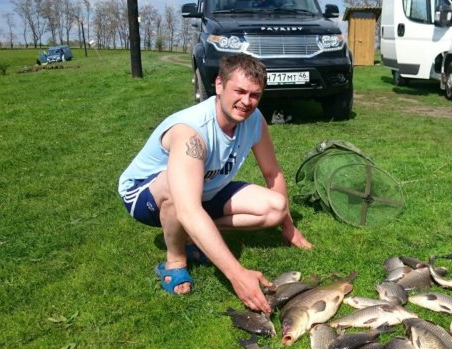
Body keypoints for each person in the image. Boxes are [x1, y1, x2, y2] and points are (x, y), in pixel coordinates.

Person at [118, 54, 312, 313]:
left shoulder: (255, 121)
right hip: (144, 193)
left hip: (205, 190)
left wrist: (288, 227)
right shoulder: (192, 132)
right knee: (178, 194)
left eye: (255, 95)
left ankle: (193, 235)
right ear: (219, 85)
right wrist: (237, 275)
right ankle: (175, 260)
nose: (246, 102)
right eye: (239, 91)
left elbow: (272, 172)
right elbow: (187, 207)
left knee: (276, 208)